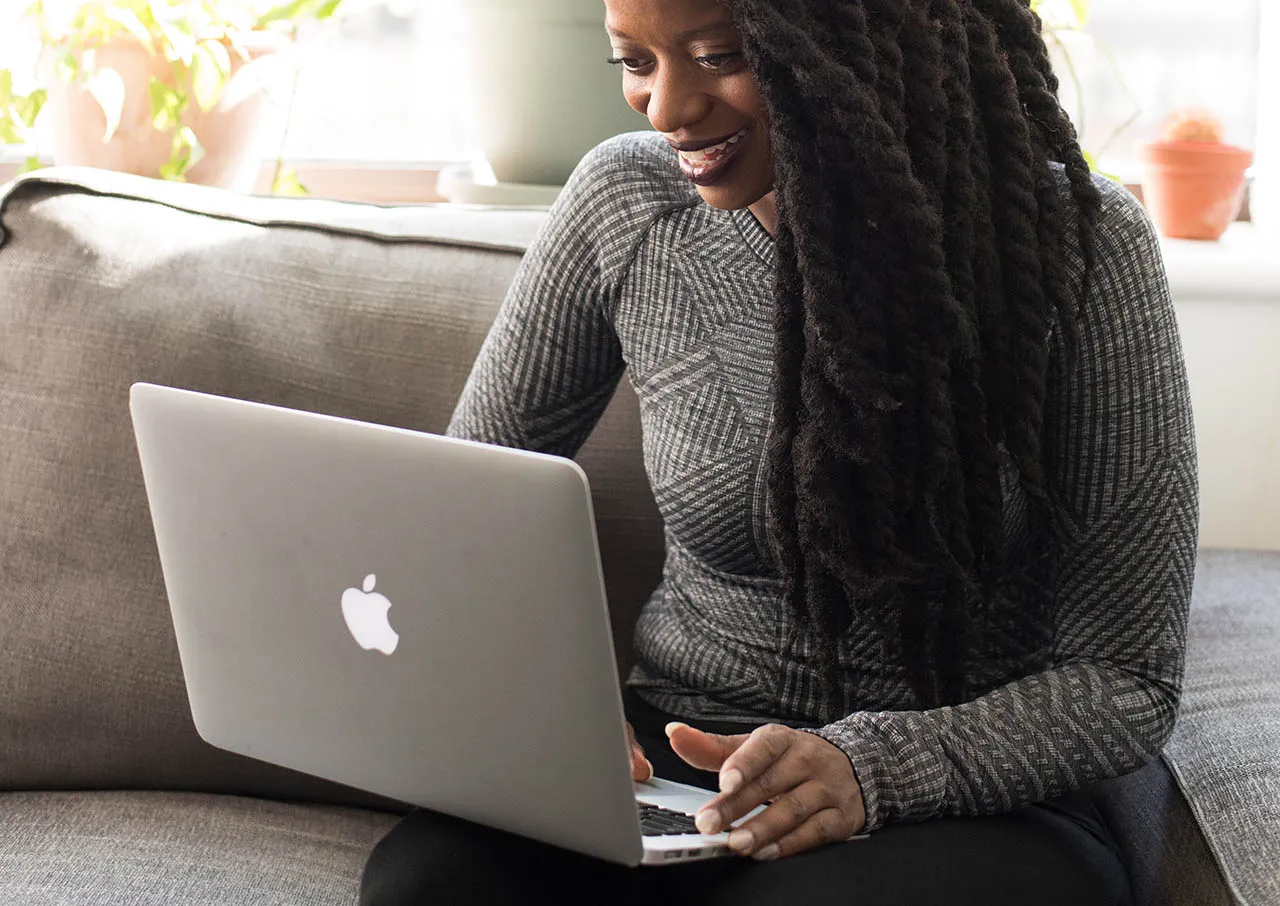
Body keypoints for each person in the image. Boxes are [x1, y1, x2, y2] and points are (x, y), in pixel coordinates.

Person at [360, 0, 1198, 902]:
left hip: (958, 793)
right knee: (429, 884)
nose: (666, 107)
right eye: (633, 63)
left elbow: (1126, 680)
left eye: (719, 55)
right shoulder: (626, 203)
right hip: (681, 751)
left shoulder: (1084, 247)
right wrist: (542, 709)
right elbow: (455, 513)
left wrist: (872, 769)